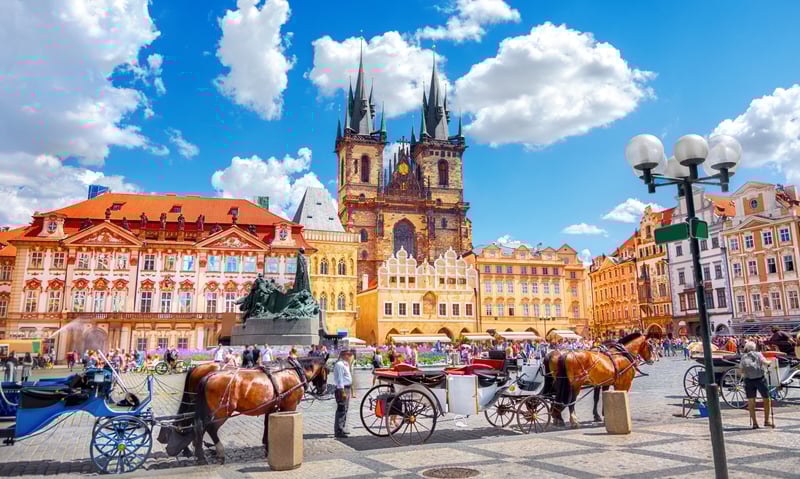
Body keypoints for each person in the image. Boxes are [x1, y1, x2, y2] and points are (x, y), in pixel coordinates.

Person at [738, 341, 774, 429]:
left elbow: (740, 371)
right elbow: (766, 362)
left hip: (748, 380)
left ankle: (754, 423)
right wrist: (770, 363)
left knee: (751, 402)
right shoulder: (759, 354)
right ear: (754, 348)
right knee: (766, 399)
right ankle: (767, 421)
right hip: (760, 379)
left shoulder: (743, 357)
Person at [333, 350, 353, 438]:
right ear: (344, 355)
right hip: (342, 388)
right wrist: (342, 391)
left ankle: (342, 427)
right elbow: (340, 379)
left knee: (345, 409)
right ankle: (338, 431)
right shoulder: (339, 364)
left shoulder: (345, 364)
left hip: (347, 387)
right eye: (349, 355)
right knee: (341, 409)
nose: (350, 357)